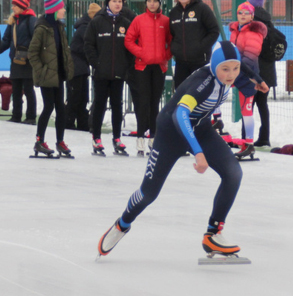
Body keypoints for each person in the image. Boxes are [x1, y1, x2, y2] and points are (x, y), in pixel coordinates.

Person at [97, 41, 269, 258]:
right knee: (148, 194)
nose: (231, 75)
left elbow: (240, 66)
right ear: (214, 66)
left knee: (233, 173)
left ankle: (213, 235)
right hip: (171, 132)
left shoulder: (229, 71)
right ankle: (122, 225)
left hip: (201, 128)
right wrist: (198, 152)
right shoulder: (203, 83)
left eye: (234, 68)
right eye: (225, 69)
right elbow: (181, 115)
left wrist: (258, 80)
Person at [124, 0, 172, 156]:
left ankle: (153, 137)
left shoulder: (166, 21)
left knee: (154, 103)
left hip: (159, 67)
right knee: (142, 103)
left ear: (160, 2)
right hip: (142, 67)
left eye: (155, 0)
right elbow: (128, 40)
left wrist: (165, 56)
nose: (152, 3)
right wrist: (141, 53)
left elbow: (172, 42)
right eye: (149, 0)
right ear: (146, 2)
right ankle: (140, 138)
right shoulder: (138, 20)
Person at [84, 0, 134, 155]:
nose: (118, 4)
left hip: (118, 73)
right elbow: (88, 45)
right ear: (108, 3)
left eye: (120, 1)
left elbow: (130, 46)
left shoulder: (125, 23)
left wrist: (125, 65)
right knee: (99, 105)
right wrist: (96, 64)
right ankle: (96, 137)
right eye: (114, 1)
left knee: (117, 105)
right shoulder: (97, 22)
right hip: (101, 73)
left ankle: (117, 138)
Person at [28, 0, 75, 156]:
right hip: (47, 76)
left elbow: (63, 50)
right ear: (54, 10)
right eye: (61, 8)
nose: (64, 10)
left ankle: (60, 141)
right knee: (49, 107)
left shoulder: (60, 27)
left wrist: (67, 68)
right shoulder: (41, 28)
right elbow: (32, 53)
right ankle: (39, 141)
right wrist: (42, 71)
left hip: (59, 75)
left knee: (60, 108)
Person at [225, 1, 266, 159]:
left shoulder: (254, 33)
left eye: (246, 13)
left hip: (248, 76)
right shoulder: (235, 30)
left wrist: (236, 71)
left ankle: (249, 144)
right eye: (240, 12)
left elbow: (249, 58)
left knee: (246, 111)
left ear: (252, 16)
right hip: (234, 72)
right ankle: (217, 122)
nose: (243, 15)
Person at [169, 0, 220, 89]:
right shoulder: (173, 13)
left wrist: (200, 47)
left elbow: (214, 31)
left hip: (200, 62)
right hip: (181, 64)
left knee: (199, 96)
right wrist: (175, 49)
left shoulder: (202, 9)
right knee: (181, 96)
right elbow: (172, 34)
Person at [0, 0, 37, 124]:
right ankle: (16, 116)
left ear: (22, 6)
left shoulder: (31, 20)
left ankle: (31, 117)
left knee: (28, 89)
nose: (12, 7)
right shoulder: (13, 21)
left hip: (27, 61)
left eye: (15, 5)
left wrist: (29, 53)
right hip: (16, 60)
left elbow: (36, 39)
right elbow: (6, 40)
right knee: (15, 89)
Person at [248, 0, 276, 147]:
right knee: (262, 104)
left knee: (248, 103)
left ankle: (247, 136)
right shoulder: (268, 20)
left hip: (253, 67)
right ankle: (264, 137)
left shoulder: (251, 21)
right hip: (268, 69)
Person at [67, 3, 100, 131]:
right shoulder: (85, 28)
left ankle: (79, 122)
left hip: (80, 66)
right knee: (76, 96)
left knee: (80, 96)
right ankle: (70, 122)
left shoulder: (85, 26)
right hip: (77, 67)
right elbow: (88, 47)